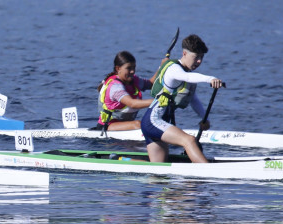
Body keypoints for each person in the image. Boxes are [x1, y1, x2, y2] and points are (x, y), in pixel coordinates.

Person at [141, 34, 224, 163]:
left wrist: (205, 119)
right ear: (184, 53)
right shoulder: (174, 69)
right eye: (196, 57)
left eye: (201, 57)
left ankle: (123, 160)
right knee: (189, 140)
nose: (199, 61)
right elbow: (188, 77)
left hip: (159, 122)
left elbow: (193, 100)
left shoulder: (186, 74)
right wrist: (210, 79)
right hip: (153, 121)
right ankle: (208, 172)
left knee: (158, 172)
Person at [96, 51, 155, 131]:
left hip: (125, 124)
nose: (132, 71)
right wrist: (158, 101)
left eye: (134, 67)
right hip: (108, 125)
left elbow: (151, 84)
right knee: (138, 124)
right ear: (118, 68)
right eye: (129, 68)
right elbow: (132, 103)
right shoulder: (115, 86)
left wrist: (162, 67)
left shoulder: (134, 80)